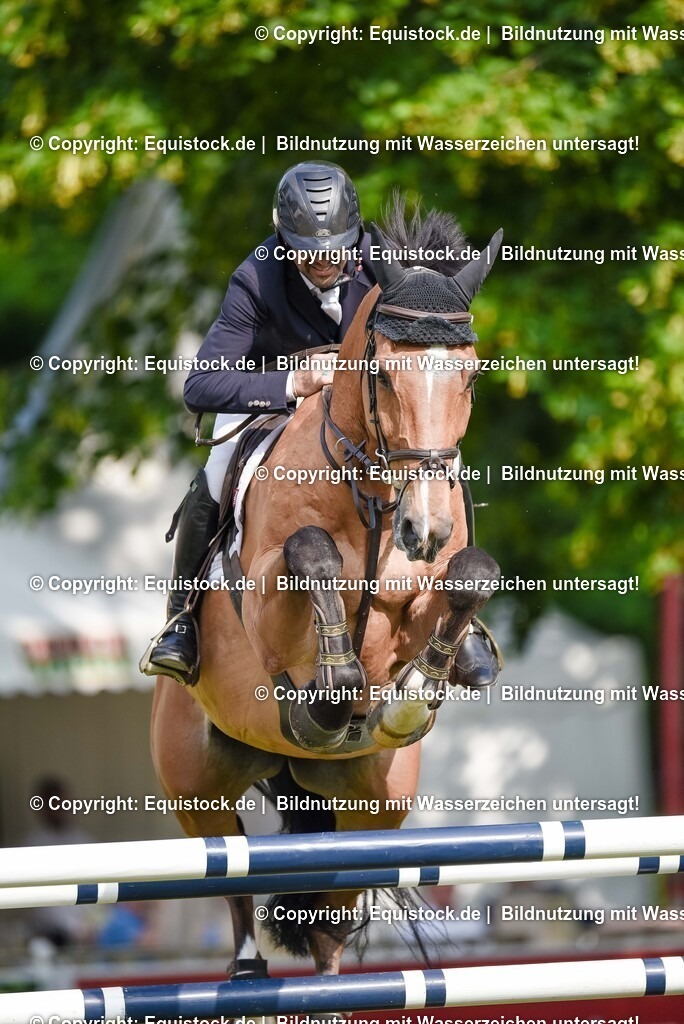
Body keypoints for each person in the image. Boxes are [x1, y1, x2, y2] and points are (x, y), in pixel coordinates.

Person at [140, 161, 499, 691]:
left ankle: (459, 618)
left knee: (436, 459)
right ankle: (182, 620)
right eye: (307, 250)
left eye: (336, 248)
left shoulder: (383, 264)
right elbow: (201, 385)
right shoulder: (256, 275)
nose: (324, 261)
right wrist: (292, 380)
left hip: (369, 403)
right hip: (273, 402)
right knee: (215, 476)